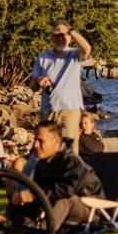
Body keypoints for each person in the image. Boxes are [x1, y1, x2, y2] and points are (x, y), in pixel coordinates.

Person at [12, 121, 103, 231]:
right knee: (17, 204)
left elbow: (68, 189)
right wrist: (24, 196)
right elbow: (38, 188)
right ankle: (4, 233)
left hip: (90, 208)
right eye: (35, 140)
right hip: (60, 205)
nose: (35, 145)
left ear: (56, 143)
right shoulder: (43, 162)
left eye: (40, 141)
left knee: (63, 199)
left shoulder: (71, 161)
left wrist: (34, 195)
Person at [32, 20, 91, 154]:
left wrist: (69, 30)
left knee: (69, 152)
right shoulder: (43, 57)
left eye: (63, 35)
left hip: (70, 111)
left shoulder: (75, 54)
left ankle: (68, 175)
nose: (60, 38)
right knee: (45, 149)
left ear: (70, 37)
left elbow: (87, 48)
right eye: (57, 35)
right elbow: (33, 85)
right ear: (52, 38)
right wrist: (39, 79)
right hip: (48, 110)